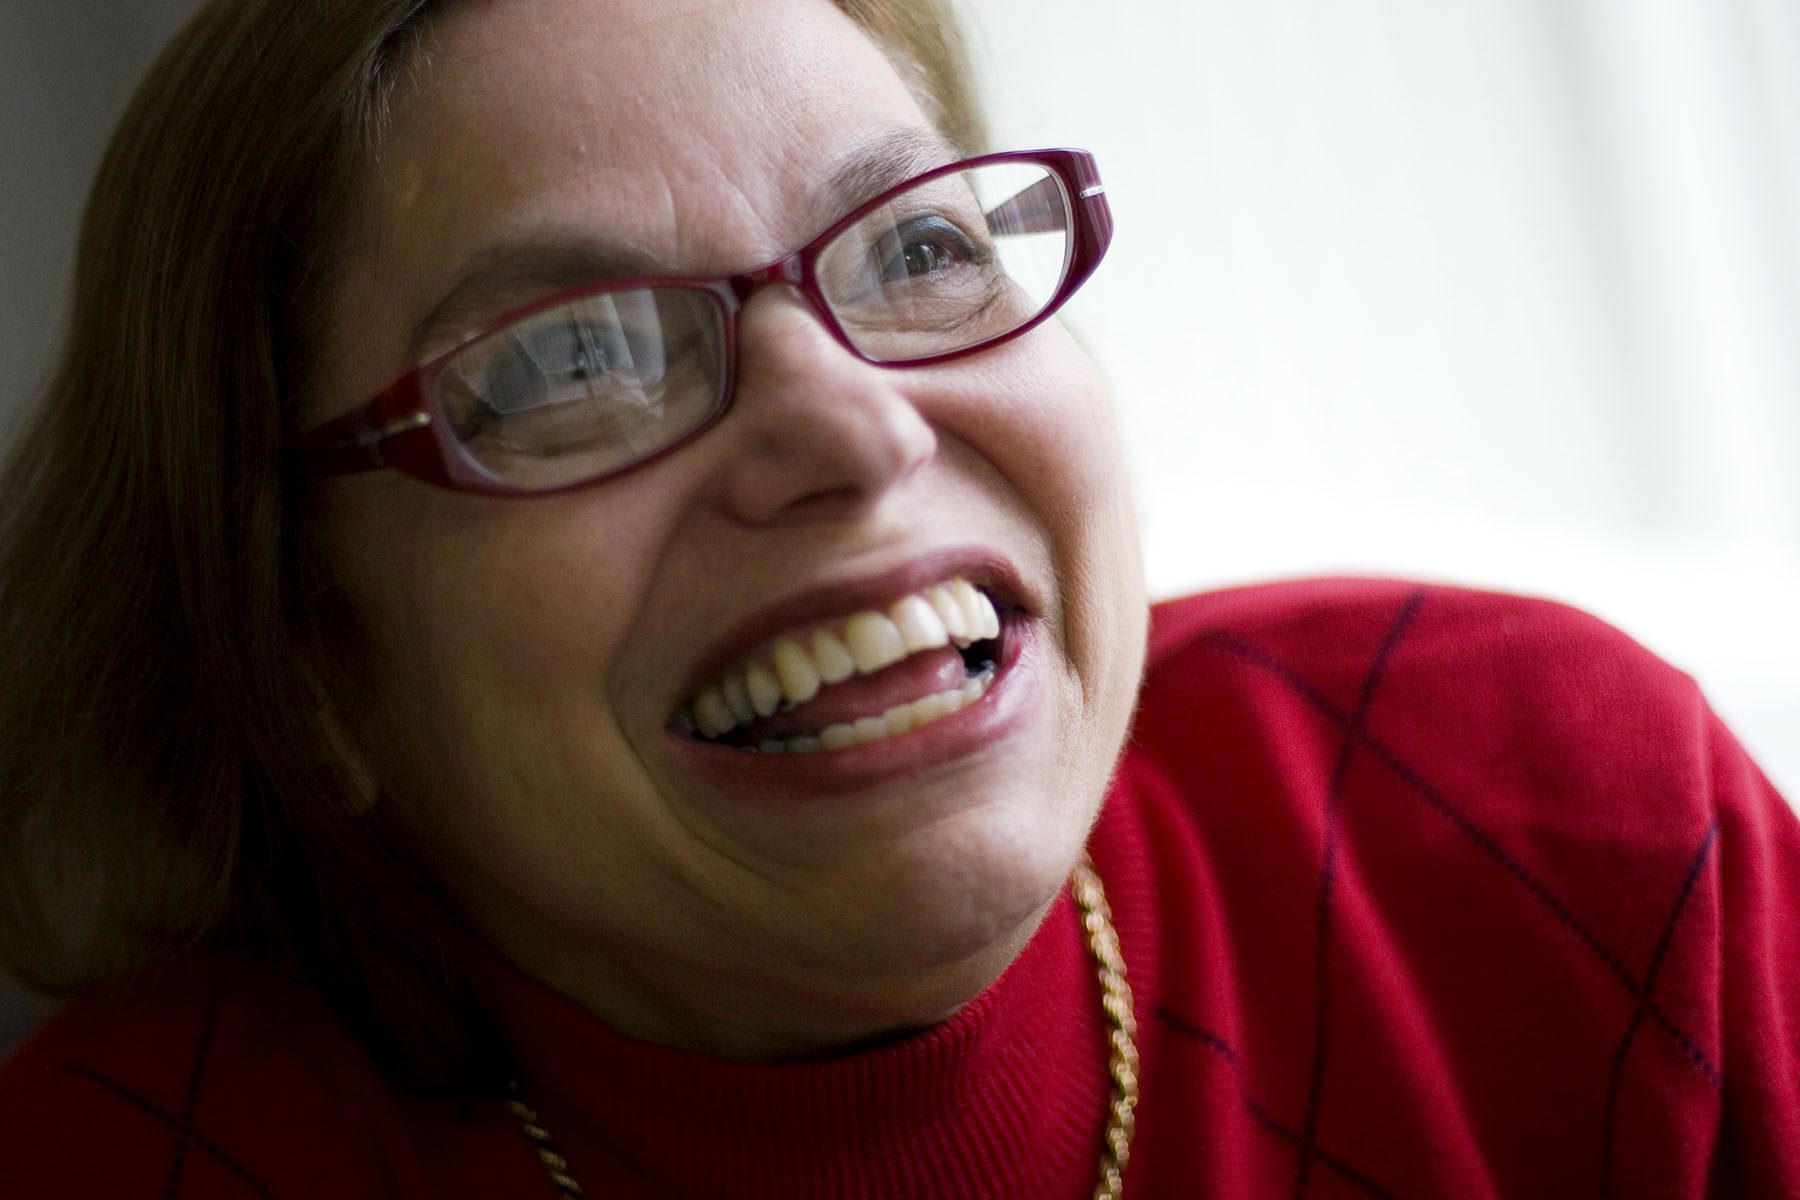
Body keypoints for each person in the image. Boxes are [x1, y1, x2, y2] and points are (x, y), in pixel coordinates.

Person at [0, 0, 1795, 1195]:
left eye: (918, 248)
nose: (851, 425)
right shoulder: (131, 1163)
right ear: (306, 652)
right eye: (571, 362)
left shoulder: (1559, 825)